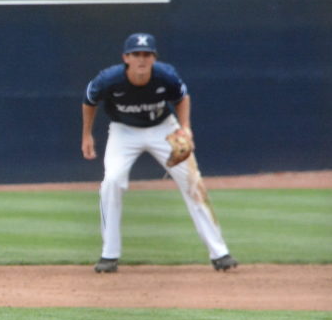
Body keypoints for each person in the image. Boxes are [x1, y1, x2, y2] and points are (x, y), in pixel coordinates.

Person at [81, 32, 238, 273]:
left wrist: (185, 127)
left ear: (154, 58)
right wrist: (87, 135)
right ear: (126, 58)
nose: (141, 59)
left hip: (163, 129)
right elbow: (89, 101)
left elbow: (182, 98)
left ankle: (220, 253)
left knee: (193, 183)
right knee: (111, 182)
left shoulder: (166, 75)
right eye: (136, 54)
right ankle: (109, 254)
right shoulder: (108, 80)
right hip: (124, 131)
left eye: (147, 54)